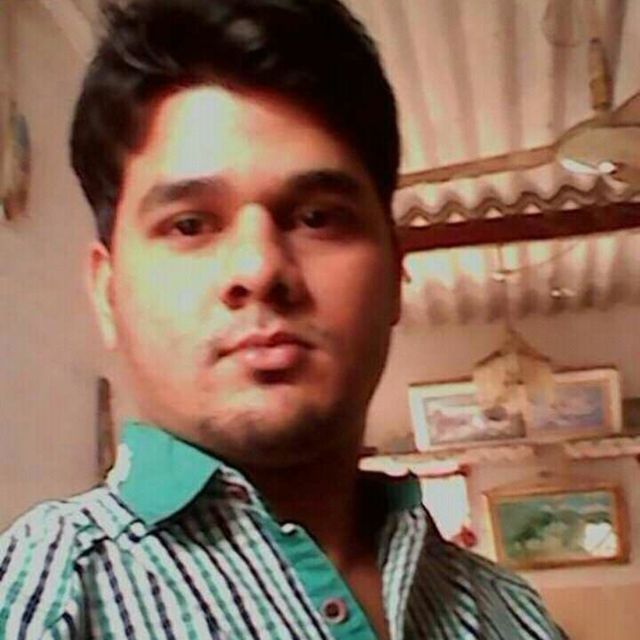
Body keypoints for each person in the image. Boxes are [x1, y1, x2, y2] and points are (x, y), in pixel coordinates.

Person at [0, 1, 567, 638]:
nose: (260, 267)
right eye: (190, 224)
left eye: (317, 217)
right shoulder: (47, 594)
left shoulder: (510, 611)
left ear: (395, 273)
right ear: (108, 292)